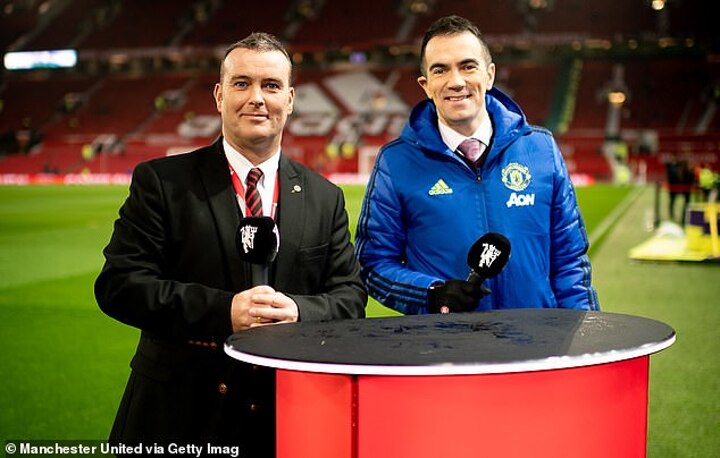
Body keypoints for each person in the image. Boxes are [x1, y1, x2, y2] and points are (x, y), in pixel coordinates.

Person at [95, 32, 367, 457]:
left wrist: (299, 311)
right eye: (242, 83)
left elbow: (350, 297)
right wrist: (224, 311)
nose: (257, 98)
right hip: (178, 416)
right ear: (220, 96)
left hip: (287, 418)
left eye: (271, 85)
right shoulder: (163, 183)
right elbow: (119, 286)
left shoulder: (324, 196)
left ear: (290, 99)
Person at [355, 15, 599, 315]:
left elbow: (570, 262)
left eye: (468, 66)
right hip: (444, 342)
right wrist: (430, 293)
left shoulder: (541, 149)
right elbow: (372, 264)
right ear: (426, 85)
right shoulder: (395, 162)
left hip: (537, 338)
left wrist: (586, 333)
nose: (456, 81)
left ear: (490, 75)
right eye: (440, 70)